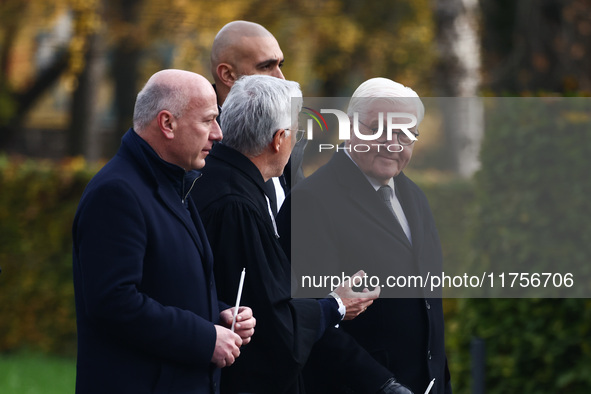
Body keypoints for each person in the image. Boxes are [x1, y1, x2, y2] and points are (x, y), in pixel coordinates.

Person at [195, 75, 410, 394]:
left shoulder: (219, 182)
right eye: (296, 132)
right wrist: (336, 304)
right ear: (279, 139)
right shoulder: (236, 204)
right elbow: (273, 321)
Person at [72, 69, 255, 394]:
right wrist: (204, 338)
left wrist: (219, 313)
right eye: (207, 120)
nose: (218, 133)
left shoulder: (172, 182)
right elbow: (113, 303)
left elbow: (165, 287)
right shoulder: (117, 192)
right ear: (167, 123)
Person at [279, 78, 452, 393]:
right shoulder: (311, 201)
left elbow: (430, 308)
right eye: (379, 130)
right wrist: (383, 386)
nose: (392, 144)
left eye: (403, 133)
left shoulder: (414, 196)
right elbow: (308, 318)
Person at [210, 20, 306, 215]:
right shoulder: (198, 143)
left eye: (280, 64)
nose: (281, 78)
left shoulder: (285, 126)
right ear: (227, 74)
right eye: (266, 67)